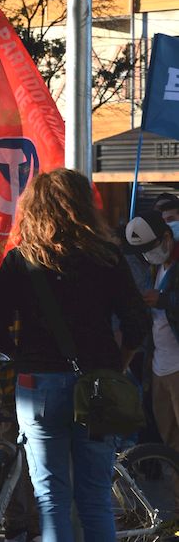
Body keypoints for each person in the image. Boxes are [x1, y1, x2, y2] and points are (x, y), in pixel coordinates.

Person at [0, 169, 151, 542]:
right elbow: (137, 321)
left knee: (50, 499)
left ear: (34, 208)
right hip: (98, 384)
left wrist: (23, 356)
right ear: (83, 207)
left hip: (37, 385)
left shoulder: (19, 260)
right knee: (95, 499)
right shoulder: (107, 257)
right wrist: (118, 363)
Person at [126, 210, 179, 516]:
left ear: (167, 238)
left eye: (151, 247)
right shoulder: (156, 269)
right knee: (169, 448)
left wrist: (164, 302)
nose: (149, 255)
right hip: (159, 368)